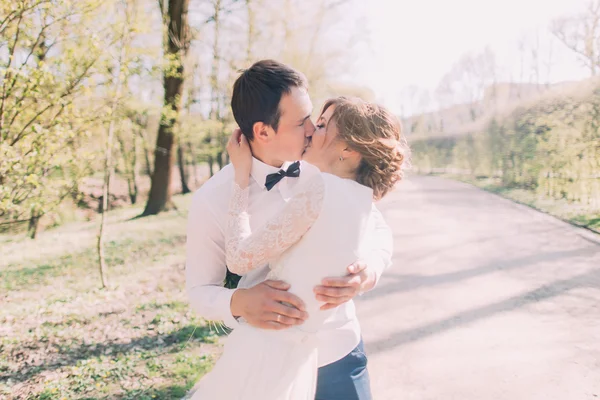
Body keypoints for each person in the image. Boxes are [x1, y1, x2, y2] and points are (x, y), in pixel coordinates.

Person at [186, 60, 401, 399]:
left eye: (314, 118)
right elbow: (199, 290)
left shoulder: (326, 167)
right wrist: (239, 302)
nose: (312, 129)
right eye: (302, 122)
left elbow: (377, 228)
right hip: (268, 368)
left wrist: (368, 272)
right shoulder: (212, 199)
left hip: (340, 352)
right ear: (263, 131)